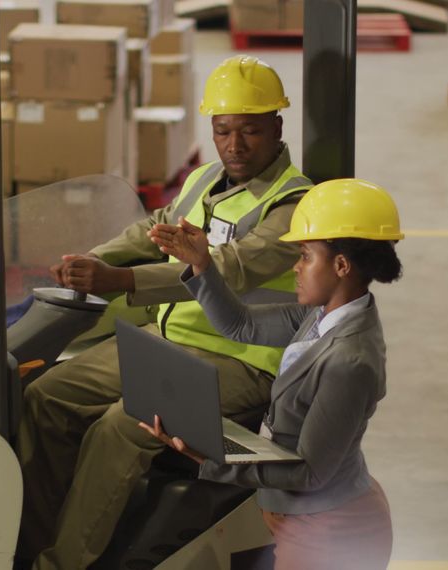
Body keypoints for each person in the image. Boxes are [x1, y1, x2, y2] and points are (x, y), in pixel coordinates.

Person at [16, 55, 313, 570]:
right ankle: (32, 543)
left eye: (250, 131)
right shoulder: (204, 179)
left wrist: (121, 281)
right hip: (170, 341)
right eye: (223, 131)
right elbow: (156, 227)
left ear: (277, 128)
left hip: (241, 361)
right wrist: (97, 259)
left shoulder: (292, 206)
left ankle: (61, 564)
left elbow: (228, 268)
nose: (235, 145)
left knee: (121, 426)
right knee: (45, 396)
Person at [142, 178, 404, 570]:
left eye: (306, 256)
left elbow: (310, 472)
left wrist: (209, 456)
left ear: (341, 265)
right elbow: (241, 325)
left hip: (329, 530)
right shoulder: (321, 316)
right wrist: (202, 263)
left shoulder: (350, 361)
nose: (297, 267)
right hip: (300, 515)